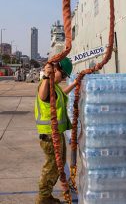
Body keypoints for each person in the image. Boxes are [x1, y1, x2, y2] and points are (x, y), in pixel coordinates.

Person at [34, 55, 76, 204]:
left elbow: (62, 95)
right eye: (63, 74)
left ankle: (47, 195)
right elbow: (43, 94)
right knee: (51, 167)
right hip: (50, 135)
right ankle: (43, 198)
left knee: (57, 166)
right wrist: (46, 75)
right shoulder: (46, 84)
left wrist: (75, 84)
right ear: (55, 69)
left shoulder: (55, 86)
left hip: (57, 134)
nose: (63, 78)